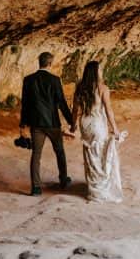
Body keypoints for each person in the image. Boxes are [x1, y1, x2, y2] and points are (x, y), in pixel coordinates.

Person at [20, 52, 74, 196]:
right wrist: (71, 121)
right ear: (50, 63)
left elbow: (25, 104)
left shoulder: (28, 80)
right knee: (59, 151)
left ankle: (36, 188)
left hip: (36, 123)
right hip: (52, 123)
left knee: (36, 155)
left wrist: (23, 124)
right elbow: (61, 103)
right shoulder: (55, 80)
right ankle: (63, 179)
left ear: (39, 62)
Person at [70, 61, 124, 203]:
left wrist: (73, 126)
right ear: (96, 72)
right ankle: (100, 189)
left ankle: (93, 187)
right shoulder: (103, 88)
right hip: (98, 124)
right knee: (100, 156)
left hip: (85, 125)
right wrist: (115, 128)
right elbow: (108, 110)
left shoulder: (80, 88)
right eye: (100, 69)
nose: (102, 71)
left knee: (90, 156)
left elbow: (75, 110)